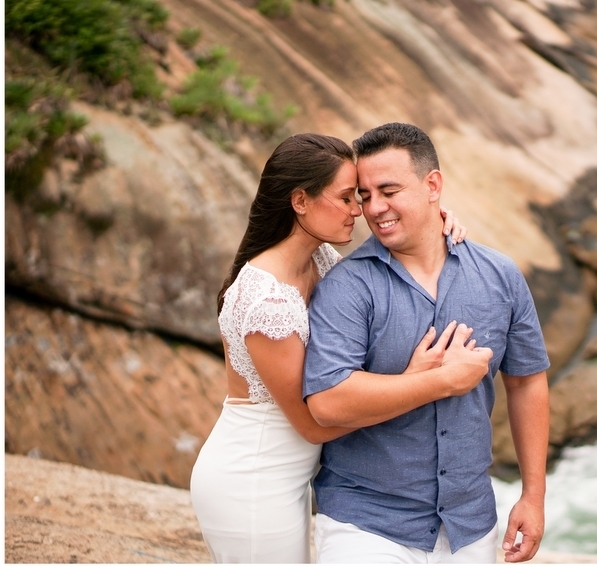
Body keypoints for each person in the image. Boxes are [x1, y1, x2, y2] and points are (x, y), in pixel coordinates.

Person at [189, 133, 488, 563]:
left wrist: (435, 219)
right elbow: (313, 424)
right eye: (347, 198)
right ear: (300, 201)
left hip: (293, 476)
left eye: (360, 196)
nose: (359, 210)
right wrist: (416, 382)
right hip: (253, 479)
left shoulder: (321, 260)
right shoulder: (265, 301)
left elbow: (397, 240)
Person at [303, 123, 551, 564]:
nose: (375, 208)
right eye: (365, 195)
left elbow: (527, 382)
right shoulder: (347, 287)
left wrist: (533, 496)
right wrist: (444, 380)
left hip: (470, 527)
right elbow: (327, 402)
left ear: (432, 185)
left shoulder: (500, 275)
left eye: (389, 190)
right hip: (366, 525)